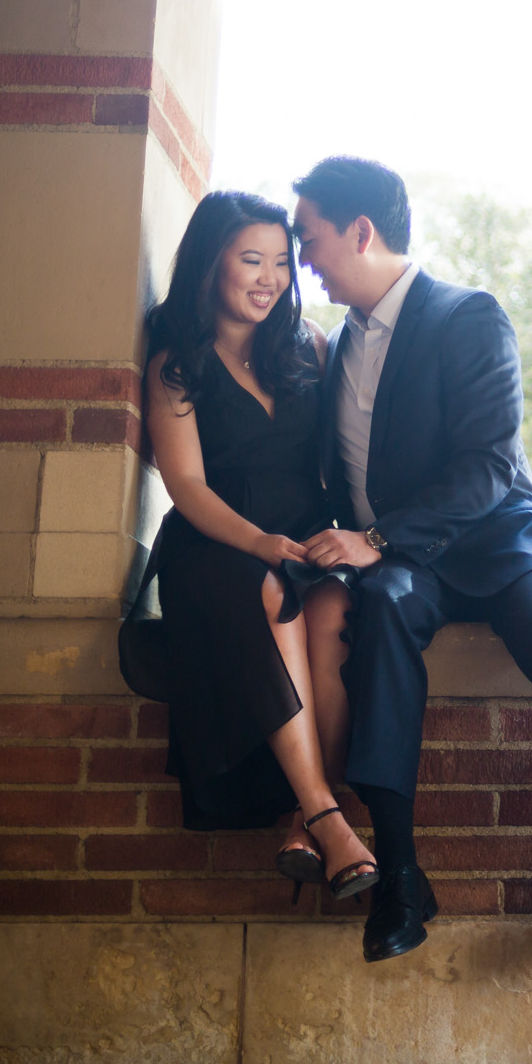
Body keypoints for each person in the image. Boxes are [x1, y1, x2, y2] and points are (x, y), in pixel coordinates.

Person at [291, 155, 532, 989]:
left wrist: (378, 537)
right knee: (378, 620)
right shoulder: (337, 349)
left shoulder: (468, 316)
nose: (304, 260)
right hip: (412, 560)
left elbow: (486, 468)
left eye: (310, 239)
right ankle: (402, 877)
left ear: (360, 231)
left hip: (504, 538)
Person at [142, 191, 376, 902]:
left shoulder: (306, 347)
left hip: (305, 541)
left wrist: (362, 538)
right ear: (212, 263)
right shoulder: (177, 362)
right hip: (218, 546)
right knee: (270, 592)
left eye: (281, 260)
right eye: (252, 259)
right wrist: (260, 541)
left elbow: (346, 459)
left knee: (334, 609)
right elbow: (185, 483)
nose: (270, 277)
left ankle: (301, 818)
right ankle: (330, 817)